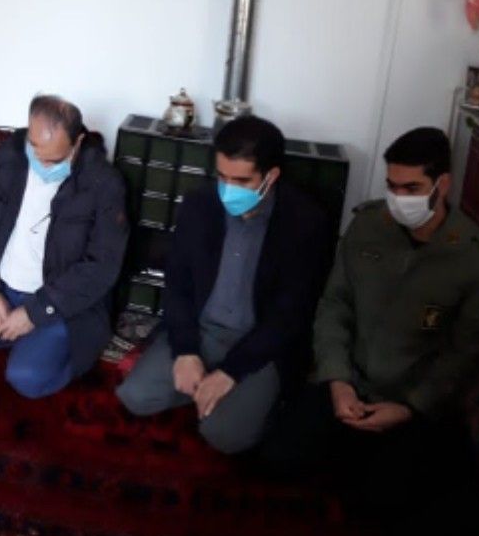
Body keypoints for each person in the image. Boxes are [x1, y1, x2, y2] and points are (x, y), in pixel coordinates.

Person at [265, 127, 479, 536]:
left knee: (385, 510)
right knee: (277, 456)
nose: (398, 199)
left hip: (412, 403)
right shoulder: (368, 226)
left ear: (442, 184)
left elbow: (466, 355)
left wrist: (410, 407)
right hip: (350, 383)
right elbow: (334, 306)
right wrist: (337, 380)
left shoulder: (477, 260)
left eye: (411, 188)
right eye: (392, 186)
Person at [115, 115, 330, 453]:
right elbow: (178, 285)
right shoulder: (200, 205)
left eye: (242, 180)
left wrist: (231, 372)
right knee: (135, 396)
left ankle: (240, 400)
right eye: (223, 177)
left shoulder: (304, 222)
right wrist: (186, 350)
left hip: (258, 344)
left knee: (224, 435)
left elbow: (289, 316)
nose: (229, 190)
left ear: (271, 176)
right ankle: (206, 388)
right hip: (203, 332)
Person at [0, 95, 128, 399]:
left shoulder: (103, 183)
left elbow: (101, 266)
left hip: (60, 302)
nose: (42, 164)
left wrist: (35, 313)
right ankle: (13, 335)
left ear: (78, 142)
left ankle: (28, 341)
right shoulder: (12, 154)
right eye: (35, 149)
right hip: (1, 285)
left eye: (54, 161)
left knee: (28, 379)